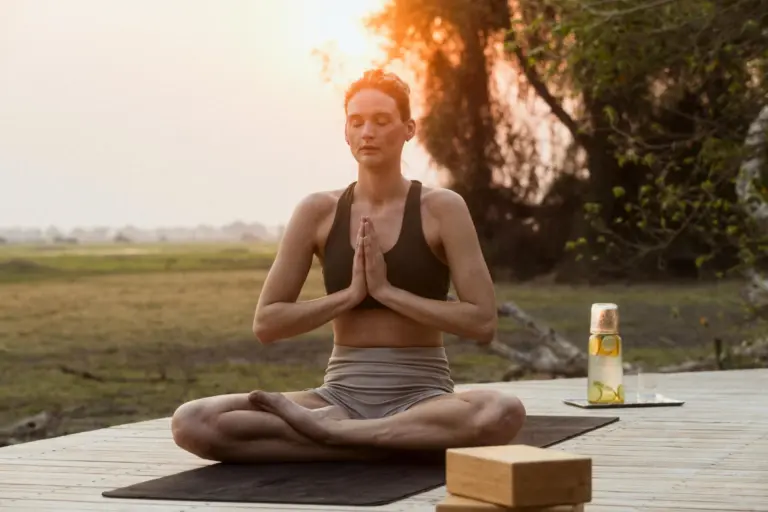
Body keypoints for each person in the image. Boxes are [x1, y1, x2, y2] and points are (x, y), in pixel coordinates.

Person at [171, 69, 526, 463]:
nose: (367, 132)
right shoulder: (317, 211)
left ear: (408, 129)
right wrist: (350, 296)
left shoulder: (442, 208)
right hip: (337, 397)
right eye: (356, 122)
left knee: (502, 411)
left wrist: (389, 293)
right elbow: (267, 323)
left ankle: (333, 437)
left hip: (424, 399)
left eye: (381, 120)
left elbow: (482, 322)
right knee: (194, 421)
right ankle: (378, 439)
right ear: (346, 132)